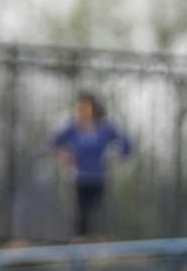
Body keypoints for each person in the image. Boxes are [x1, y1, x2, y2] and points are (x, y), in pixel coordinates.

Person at [49, 93, 133, 238]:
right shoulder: (73, 128)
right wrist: (64, 156)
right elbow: (53, 142)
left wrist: (115, 156)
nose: (82, 111)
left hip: (100, 177)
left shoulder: (105, 128)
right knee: (80, 213)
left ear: (94, 109)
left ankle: (101, 241)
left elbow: (126, 144)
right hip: (79, 177)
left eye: (86, 107)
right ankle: (80, 242)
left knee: (99, 212)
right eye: (80, 108)